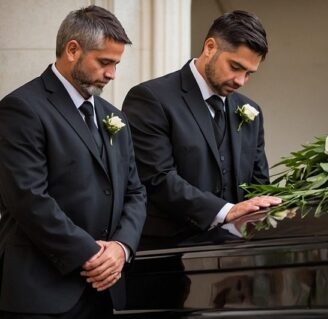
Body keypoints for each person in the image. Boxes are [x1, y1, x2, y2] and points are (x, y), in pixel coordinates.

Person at [0, 5, 146, 318]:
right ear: (72, 49)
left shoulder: (114, 117)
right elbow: (27, 198)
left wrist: (121, 248)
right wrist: (91, 255)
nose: (112, 74)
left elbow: (135, 192)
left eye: (116, 64)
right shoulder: (21, 108)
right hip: (41, 292)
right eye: (104, 62)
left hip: (103, 292)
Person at [122, 10, 280, 245]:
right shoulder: (150, 98)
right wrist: (225, 211)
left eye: (249, 73)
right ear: (210, 47)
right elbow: (157, 179)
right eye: (235, 66)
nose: (240, 81)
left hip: (235, 259)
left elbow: (258, 185)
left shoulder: (250, 111)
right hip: (166, 256)